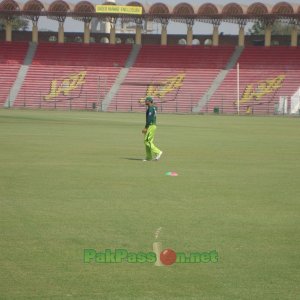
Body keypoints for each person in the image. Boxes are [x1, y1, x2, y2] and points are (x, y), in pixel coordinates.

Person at [142, 96, 163, 161]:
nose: (145, 101)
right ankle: (149, 157)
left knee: (147, 141)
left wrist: (146, 127)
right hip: (152, 126)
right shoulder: (153, 107)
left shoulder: (150, 108)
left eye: (146, 100)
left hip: (151, 126)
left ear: (150, 101)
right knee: (148, 141)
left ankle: (158, 152)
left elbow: (149, 119)